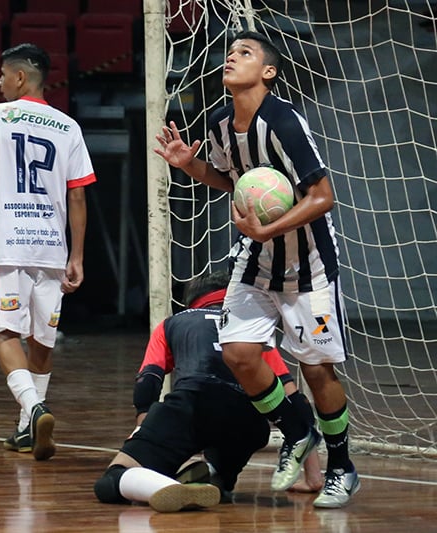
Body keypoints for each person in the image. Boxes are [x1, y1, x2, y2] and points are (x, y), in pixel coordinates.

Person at [153, 30, 359, 508]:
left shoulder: (284, 122)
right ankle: (297, 429)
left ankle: (342, 466)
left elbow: (323, 196)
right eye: (230, 53)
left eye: (244, 54)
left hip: (308, 266)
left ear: (267, 72)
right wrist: (192, 166)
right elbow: (233, 183)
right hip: (257, 259)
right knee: (239, 354)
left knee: (316, 369)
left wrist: (269, 230)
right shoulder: (223, 123)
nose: (231, 58)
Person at [0, 43, 96, 461]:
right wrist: (78, 256)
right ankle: (26, 429)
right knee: (43, 339)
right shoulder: (68, 126)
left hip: (8, 243)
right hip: (52, 246)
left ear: (20, 77)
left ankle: (34, 407)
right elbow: (78, 197)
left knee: (5, 332)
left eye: (2, 75)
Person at [93, 271, 322, 513]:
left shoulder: (174, 322)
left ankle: (163, 485)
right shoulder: (251, 333)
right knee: (223, 476)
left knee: (111, 481)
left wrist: (143, 433)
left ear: (192, 301)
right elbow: (297, 402)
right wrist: (313, 476)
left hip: (193, 405)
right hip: (249, 423)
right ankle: (214, 475)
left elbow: (147, 384)